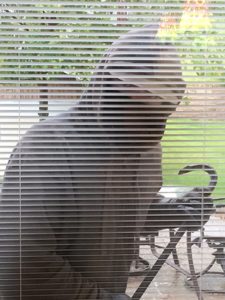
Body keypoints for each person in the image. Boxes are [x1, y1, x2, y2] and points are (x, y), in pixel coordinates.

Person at [0, 25, 211, 300]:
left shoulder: (145, 149)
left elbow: (116, 216)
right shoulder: (49, 146)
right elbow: (20, 267)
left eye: (163, 97)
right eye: (138, 88)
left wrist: (177, 212)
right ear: (106, 81)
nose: (151, 102)